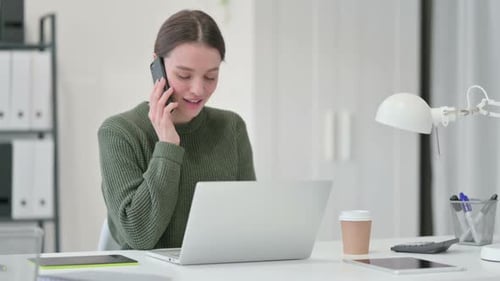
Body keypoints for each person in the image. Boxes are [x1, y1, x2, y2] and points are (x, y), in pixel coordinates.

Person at [98, 9, 256, 250]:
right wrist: (168, 146)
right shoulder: (119, 132)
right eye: (184, 75)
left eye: (211, 77)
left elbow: (247, 221)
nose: (198, 90)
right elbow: (139, 236)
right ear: (157, 65)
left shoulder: (231, 128)